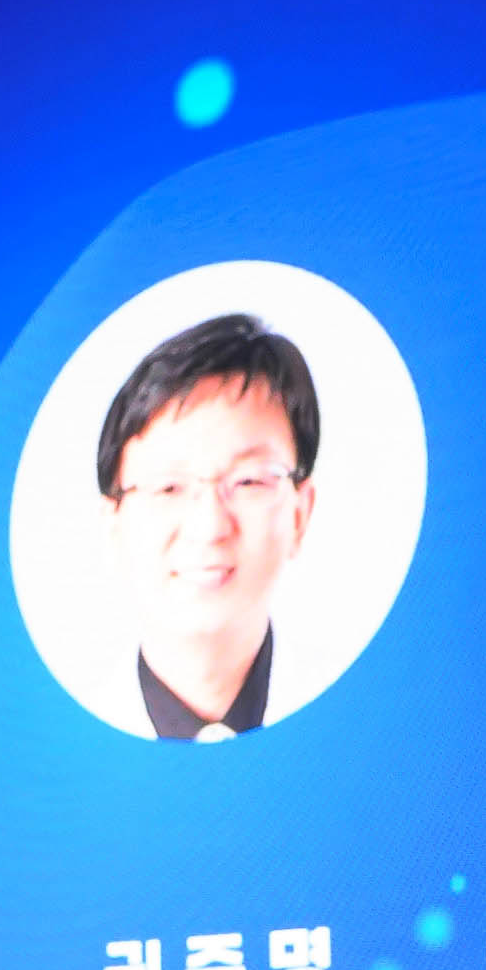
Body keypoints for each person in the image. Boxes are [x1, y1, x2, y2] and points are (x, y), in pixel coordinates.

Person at [96, 312, 317, 741]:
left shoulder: (380, 727)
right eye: (168, 487)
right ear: (114, 524)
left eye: (248, 481)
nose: (209, 526)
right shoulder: (45, 754)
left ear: (300, 513)